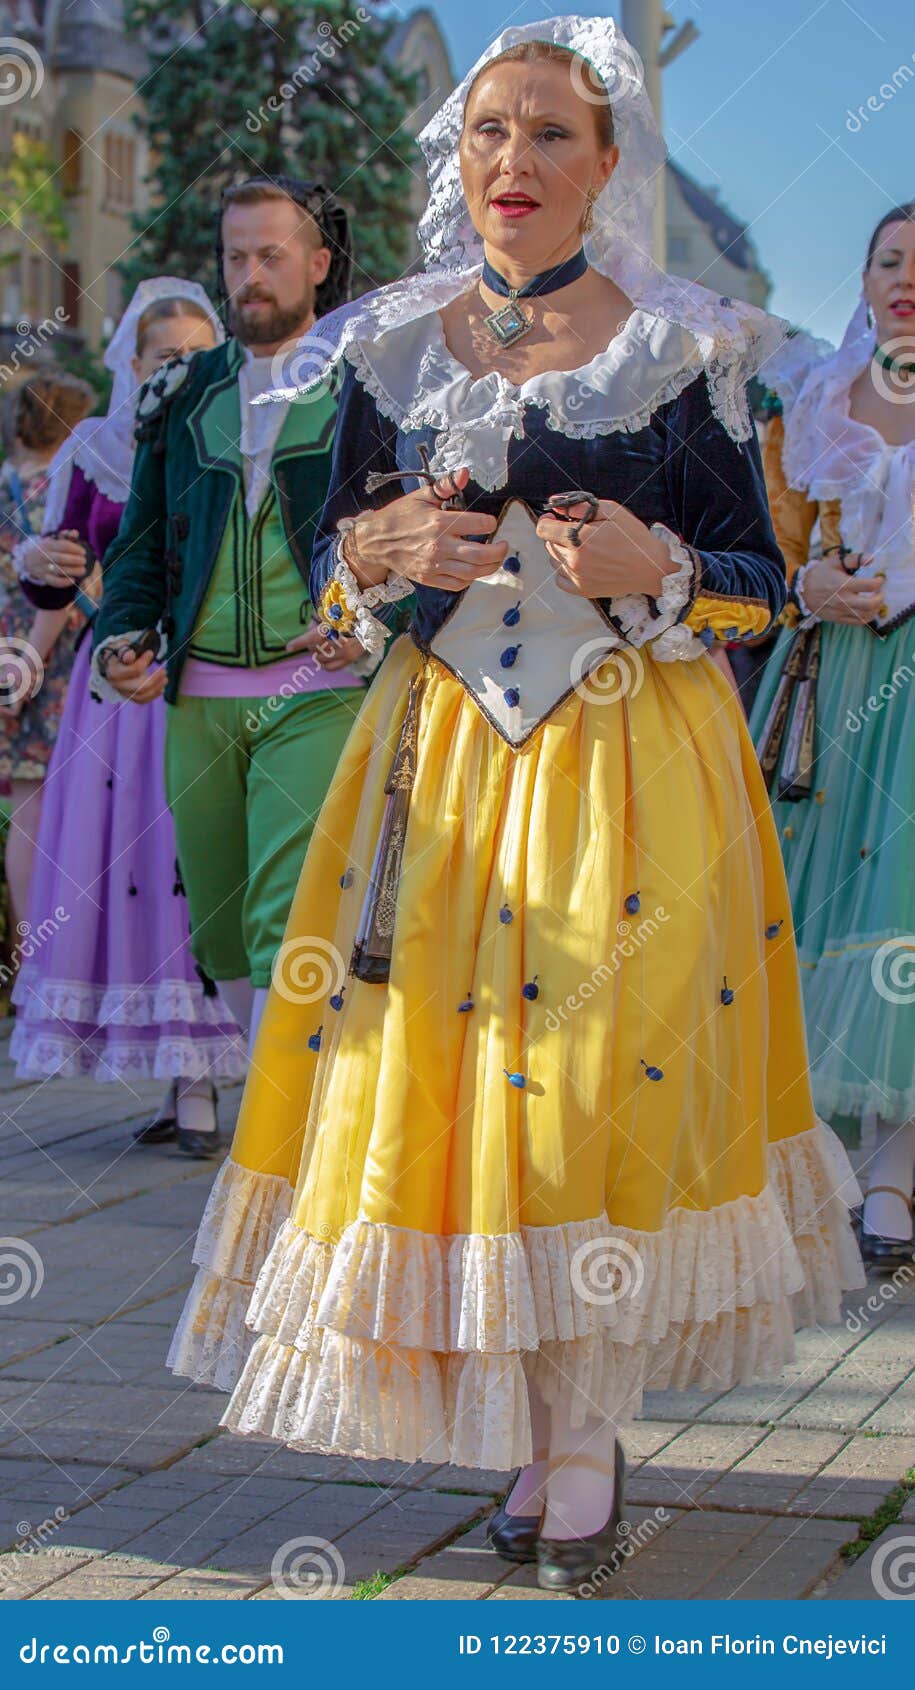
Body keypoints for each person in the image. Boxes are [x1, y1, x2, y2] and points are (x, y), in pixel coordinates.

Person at [170, 17, 864, 1595]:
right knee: (459, 1090)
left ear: (605, 166)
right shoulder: (388, 350)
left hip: (631, 768)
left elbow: (760, 588)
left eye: (550, 134)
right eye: (488, 133)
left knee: (585, 1095)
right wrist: (379, 555)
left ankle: (582, 1436)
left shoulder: (680, 351)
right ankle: (527, 1419)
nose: (513, 163)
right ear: (454, 160)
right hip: (440, 777)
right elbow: (341, 588)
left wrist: (666, 568)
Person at [88, 179, 366, 1059]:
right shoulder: (179, 390)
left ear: (317, 264)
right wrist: (118, 639)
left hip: (317, 684)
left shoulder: (368, 382)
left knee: (286, 915)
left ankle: (281, 1140)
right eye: (235, 257)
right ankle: (281, 1105)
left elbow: (402, 525)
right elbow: (135, 545)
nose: (249, 276)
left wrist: (371, 617)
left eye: (270, 257)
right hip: (197, 695)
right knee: (217, 927)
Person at [11, 281, 245, 1153]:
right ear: (131, 363)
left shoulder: (235, 439)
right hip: (114, 696)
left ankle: (200, 1080)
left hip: (205, 681)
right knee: (128, 880)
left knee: (193, 873)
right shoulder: (95, 451)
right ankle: (170, 1072)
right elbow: (58, 577)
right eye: (161, 359)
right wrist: (42, 560)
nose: (176, 372)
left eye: (192, 357)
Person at [751, 203, 915, 1273]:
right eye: (891, 259)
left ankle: (897, 1170)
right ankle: (813, 1167)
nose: (907, 278)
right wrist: (808, 584)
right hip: (826, 682)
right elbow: (767, 556)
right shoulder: (813, 401)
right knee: (798, 908)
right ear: (860, 279)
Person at [0, 369, 95, 929]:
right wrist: (30, 662)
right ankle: (59, 954)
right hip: (52, 661)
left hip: (8, 654)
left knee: (25, 812)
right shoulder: (60, 488)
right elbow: (61, 595)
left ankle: (27, 956)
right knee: (63, 812)